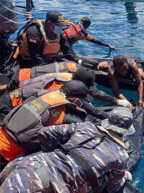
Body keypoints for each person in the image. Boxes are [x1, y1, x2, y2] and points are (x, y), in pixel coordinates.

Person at [0, 121, 131, 192]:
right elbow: (112, 188)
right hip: (47, 185)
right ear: (125, 132)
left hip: (27, 163)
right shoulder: (122, 156)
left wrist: (49, 152)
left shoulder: (86, 126)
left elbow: (44, 132)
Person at [0, 80, 95, 171]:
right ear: (76, 100)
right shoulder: (62, 115)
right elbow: (78, 126)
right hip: (8, 153)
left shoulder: (44, 94)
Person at [0, 67, 129, 121]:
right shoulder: (57, 87)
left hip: (18, 97)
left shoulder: (69, 79)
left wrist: (115, 104)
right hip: (11, 104)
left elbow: (89, 104)